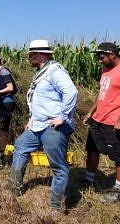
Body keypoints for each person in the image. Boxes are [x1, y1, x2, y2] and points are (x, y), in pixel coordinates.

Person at [7, 39, 78, 212]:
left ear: (40, 54)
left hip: (54, 126)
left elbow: (71, 92)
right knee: (21, 145)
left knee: (58, 167)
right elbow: (38, 100)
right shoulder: (41, 73)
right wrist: (32, 118)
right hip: (38, 124)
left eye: (31, 55)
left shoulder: (55, 71)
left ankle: (57, 207)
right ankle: (14, 187)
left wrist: (63, 116)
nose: (29, 58)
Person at [81, 42, 120, 202]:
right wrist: (91, 112)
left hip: (116, 122)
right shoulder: (106, 70)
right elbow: (102, 94)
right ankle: (89, 179)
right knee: (92, 149)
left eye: (102, 57)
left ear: (112, 54)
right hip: (99, 119)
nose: (99, 60)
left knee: (119, 155)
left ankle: (119, 190)